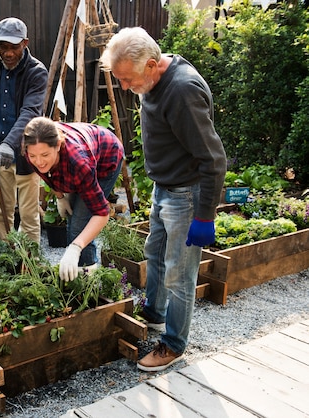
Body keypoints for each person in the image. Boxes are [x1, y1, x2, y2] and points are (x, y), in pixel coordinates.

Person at [101, 27, 227, 372]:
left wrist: (205, 216)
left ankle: (173, 344)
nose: (125, 87)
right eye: (119, 79)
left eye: (128, 79)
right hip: (164, 188)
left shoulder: (182, 91)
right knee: (153, 254)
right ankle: (153, 315)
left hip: (186, 195)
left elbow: (214, 160)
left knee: (179, 274)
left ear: (153, 64)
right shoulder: (151, 78)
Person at [22, 116, 124, 282]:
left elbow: (102, 213)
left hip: (107, 155)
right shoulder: (32, 150)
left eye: (45, 154)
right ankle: (77, 273)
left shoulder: (78, 163)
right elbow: (48, 175)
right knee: (73, 220)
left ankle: (87, 278)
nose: (38, 161)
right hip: (86, 151)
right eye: (33, 156)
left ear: (58, 145)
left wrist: (75, 248)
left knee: (79, 225)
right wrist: (60, 197)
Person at [0, 17, 48, 243]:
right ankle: (7, 259)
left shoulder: (36, 72)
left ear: (25, 43)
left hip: (26, 151)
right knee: (2, 209)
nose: (7, 53)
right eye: (3, 47)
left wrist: (10, 143)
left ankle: (30, 263)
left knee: (28, 213)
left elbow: (30, 113)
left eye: (13, 47)